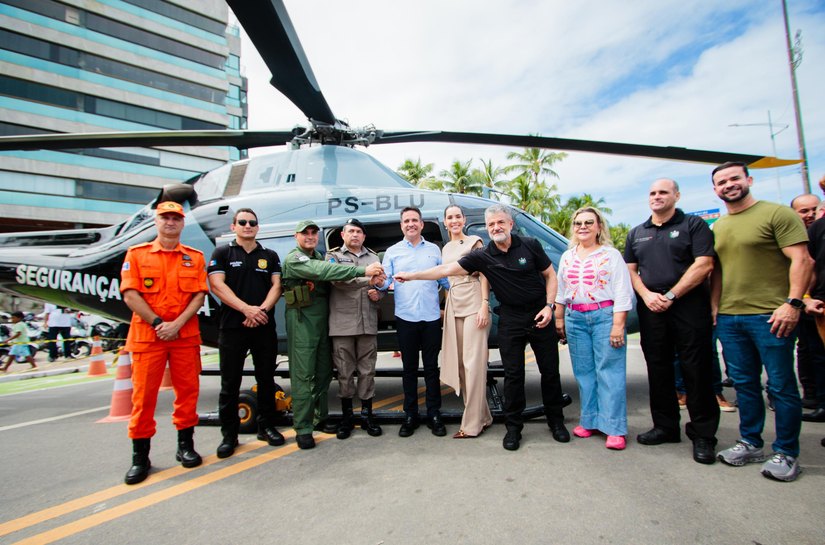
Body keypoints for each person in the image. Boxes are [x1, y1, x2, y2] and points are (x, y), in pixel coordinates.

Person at [394, 204, 569, 451]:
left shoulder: (530, 245)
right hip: (510, 318)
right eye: (491, 224)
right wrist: (411, 276)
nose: (496, 227)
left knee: (550, 373)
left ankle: (557, 423)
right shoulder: (484, 255)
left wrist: (550, 307)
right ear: (487, 228)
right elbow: (445, 270)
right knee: (513, 376)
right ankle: (513, 429)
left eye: (500, 222)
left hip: (539, 314)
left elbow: (551, 275)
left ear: (510, 224)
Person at [711, 161, 813, 482]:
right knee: (744, 384)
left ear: (749, 179)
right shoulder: (719, 226)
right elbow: (717, 273)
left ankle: (786, 450)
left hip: (770, 314)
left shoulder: (778, 214)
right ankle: (751, 442)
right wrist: (714, 310)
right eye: (721, 182)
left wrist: (793, 303)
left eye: (734, 179)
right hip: (730, 317)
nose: (728, 185)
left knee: (781, 385)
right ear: (715, 189)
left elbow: (802, 259)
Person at [624, 178, 720, 464]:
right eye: (652, 192)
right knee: (658, 368)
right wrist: (647, 295)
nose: (657, 196)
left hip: (688, 306)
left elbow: (704, 264)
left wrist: (672, 295)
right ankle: (665, 427)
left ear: (676, 195)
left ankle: (703, 435)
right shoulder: (637, 232)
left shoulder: (693, 226)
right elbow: (630, 269)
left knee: (696, 369)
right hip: (651, 308)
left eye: (663, 192)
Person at [120, 201, 208, 485]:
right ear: (156, 222)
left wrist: (177, 324)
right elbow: (130, 294)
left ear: (182, 224)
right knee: (143, 398)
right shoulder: (137, 254)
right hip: (148, 337)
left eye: (175, 218)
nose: (170, 222)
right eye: (165, 218)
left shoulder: (194, 257)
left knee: (188, 393)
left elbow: (198, 295)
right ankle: (140, 457)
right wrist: (159, 324)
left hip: (184, 336)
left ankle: (185, 447)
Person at [282, 219, 384, 450]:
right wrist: (364, 273)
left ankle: (319, 418)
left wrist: (378, 289)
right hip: (303, 321)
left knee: (323, 372)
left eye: (313, 233)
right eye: (304, 233)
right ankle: (304, 428)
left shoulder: (318, 256)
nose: (309, 236)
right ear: (296, 236)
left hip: (323, 321)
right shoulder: (299, 258)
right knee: (304, 376)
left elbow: (379, 285)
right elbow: (328, 273)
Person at [207, 208, 285, 459]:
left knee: (266, 380)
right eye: (242, 222)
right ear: (234, 227)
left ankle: (267, 427)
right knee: (229, 384)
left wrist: (260, 311)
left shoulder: (269, 255)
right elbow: (217, 285)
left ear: (257, 227)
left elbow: (277, 286)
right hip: (232, 327)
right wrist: (246, 310)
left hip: (263, 325)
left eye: (252, 222)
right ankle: (229, 436)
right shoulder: (223, 253)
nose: (248, 225)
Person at [555, 207, 633, 450]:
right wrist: (559, 319)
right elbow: (560, 291)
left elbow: (623, 292)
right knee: (584, 373)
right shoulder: (567, 256)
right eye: (578, 223)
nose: (583, 227)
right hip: (575, 318)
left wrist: (618, 325)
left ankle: (614, 427)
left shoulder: (610, 255)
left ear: (599, 226)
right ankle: (589, 421)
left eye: (589, 222)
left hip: (604, 316)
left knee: (609, 372)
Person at [379, 207, 450, 438]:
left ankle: (434, 414)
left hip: (430, 317)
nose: (411, 224)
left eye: (415, 220)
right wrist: (376, 286)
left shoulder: (434, 250)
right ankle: (410, 415)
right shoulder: (392, 252)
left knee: (431, 368)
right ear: (402, 226)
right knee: (408, 369)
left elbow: (445, 279)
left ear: (421, 224)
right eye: (406, 221)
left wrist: (462, 294)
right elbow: (384, 281)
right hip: (406, 318)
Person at [325, 218, 384, 439]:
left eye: (359, 231)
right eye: (351, 231)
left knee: (368, 371)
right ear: (343, 235)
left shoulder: (373, 256)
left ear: (364, 236)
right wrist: (367, 277)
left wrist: (379, 293)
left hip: (367, 322)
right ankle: (347, 417)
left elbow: (379, 285)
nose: (355, 235)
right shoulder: (333, 257)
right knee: (345, 372)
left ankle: (367, 415)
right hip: (342, 324)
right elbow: (337, 280)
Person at [440, 204, 492, 439]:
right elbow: (445, 278)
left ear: (463, 219)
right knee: (461, 365)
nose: (454, 221)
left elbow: (485, 275)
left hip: (474, 303)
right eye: (450, 217)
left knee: (474, 365)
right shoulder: (446, 248)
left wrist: (484, 303)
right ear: (444, 222)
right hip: (454, 304)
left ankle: (472, 425)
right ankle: (485, 416)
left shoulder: (474, 242)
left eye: (458, 216)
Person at [790, 193, 822, 409]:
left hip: (810, 302)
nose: (810, 215)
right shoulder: (797, 235)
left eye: (814, 209)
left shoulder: (817, 231)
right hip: (801, 303)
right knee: (808, 350)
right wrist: (804, 298)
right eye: (804, 211)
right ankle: (812, 394)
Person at [799, 211, 825, 423]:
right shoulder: (818, 229)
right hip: (819, 305)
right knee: (817, 357)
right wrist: (805, 297)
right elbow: (810, 265)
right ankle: (820, 401)